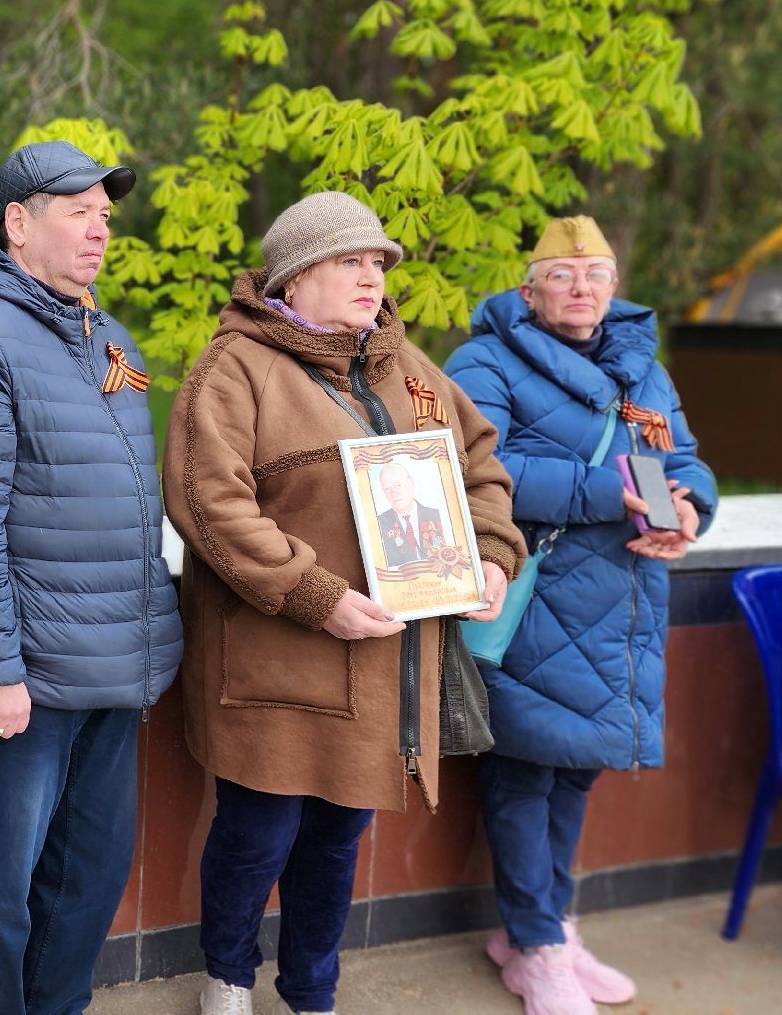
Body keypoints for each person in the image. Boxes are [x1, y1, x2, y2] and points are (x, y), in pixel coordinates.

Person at [163, 191, 524, 1015]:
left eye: (378, 263)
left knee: (335, 841)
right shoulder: (234, 368)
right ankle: (228, 980)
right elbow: (208, 504)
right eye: (349, 262)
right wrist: (313, 593)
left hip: (378, 665)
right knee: (257, 837)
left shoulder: (409, 366)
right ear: (294, 277)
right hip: (275, 662)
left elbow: (479, 467)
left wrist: (491, 554)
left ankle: (311, 993)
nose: (372, 278)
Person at [0, 140, 185, 1015]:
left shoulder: (108, 336)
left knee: (88, 878)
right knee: (0, 888)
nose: (100, 229)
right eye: (78, 212)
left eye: (105, 214)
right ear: (18, 223)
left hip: (116, 663)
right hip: (30, 674)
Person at [445, 216, 715, 1015]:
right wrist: (616, 493)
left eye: (596, 273)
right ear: (528, 291)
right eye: (561, 275)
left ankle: (549, 930)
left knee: (575, 771)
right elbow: (476, 468)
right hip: (534, 594)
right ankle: (535, 948)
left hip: (623, 604)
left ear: (614, 286)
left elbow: (682, 459)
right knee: (526, 769)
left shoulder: (644, 369)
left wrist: (690, 507)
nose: (581, 287)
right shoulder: (485, 360)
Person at [374, 462, 445, 567]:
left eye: (398, 485)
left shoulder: (438, 516)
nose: (394, 493)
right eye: (387, 489)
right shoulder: (377, 525)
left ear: (411, 483)